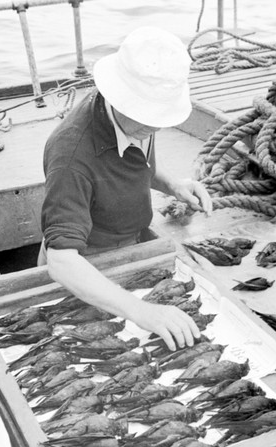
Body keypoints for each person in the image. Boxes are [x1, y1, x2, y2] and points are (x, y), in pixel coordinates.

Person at [38, 26, 212, 351]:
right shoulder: (70, 155)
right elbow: (61, 260)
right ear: (122, 99)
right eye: (150, 117)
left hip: (132, 245)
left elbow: (140, 162)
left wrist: (174, 185)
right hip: (87, 265)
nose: (157, 126)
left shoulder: (137, 120)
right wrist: (140, 310)